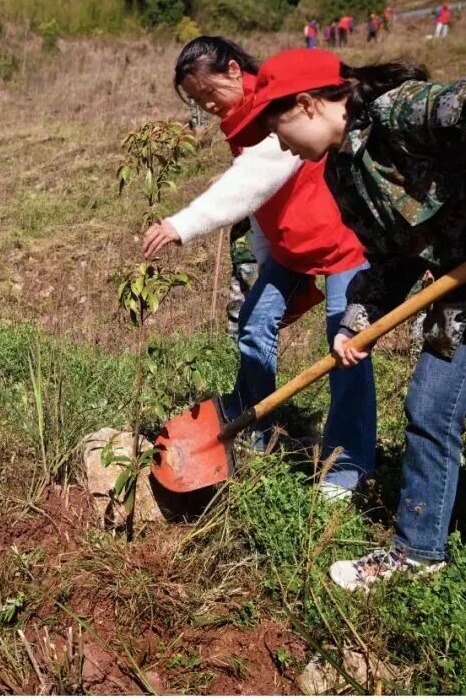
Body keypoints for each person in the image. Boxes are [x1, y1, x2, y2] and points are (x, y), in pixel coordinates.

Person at [231, 47, 466, 647]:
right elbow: (390, 257)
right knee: (430, 409)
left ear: (306, 105)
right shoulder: (342, 173)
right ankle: (417, 551)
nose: (278, 144)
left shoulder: (404, 112)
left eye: (276, 128)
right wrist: (357, 319)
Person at [143, 36, 378, 498]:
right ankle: (256, 424)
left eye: (209, 92)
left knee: (346, 347)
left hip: (339, 242)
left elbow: (256, 179)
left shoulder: (277, 101)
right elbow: (262, 206)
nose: (208, 105)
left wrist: (181, 224)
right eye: (197, 101)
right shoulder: (239, 120)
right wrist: (268, 259)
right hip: (292, 247)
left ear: (234, 69)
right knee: (253, 323)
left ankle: (347, 466)